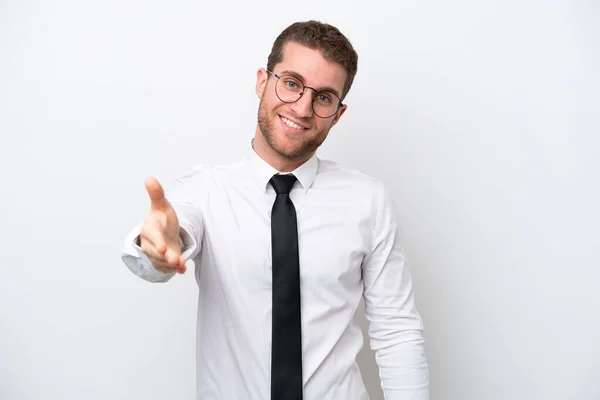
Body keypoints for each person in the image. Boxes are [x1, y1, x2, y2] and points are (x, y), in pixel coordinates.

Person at [121, 20, 429, 400]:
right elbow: (167, 239)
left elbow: (396, 330)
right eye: (292, 83)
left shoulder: (367, 200)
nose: (302, 108)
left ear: (338, 113)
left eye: (324, 97)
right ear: (261, 82)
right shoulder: (206, 191)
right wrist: (158, 248)